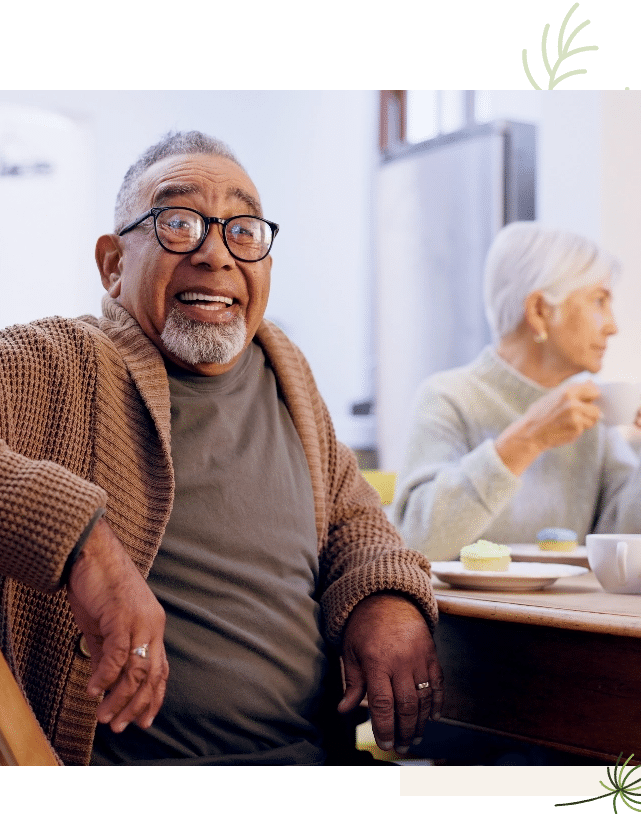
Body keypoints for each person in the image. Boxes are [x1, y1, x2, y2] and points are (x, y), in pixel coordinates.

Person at [0, 131, 443, 765]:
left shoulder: (284, 371)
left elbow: (353, 519)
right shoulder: (59, 363)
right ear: (112, 264)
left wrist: (386, 598)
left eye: (243, 229)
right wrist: (80, 541)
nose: (215, 254)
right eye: (178, 223)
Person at [393, 221, 641, 561]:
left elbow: (624, 554)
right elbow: (418, 545)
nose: (613, 326)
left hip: (570, 614)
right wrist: (528, 439)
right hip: (466, 615)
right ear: (540, 311)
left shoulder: (593, 413)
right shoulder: (447, 397)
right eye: (599, 301)